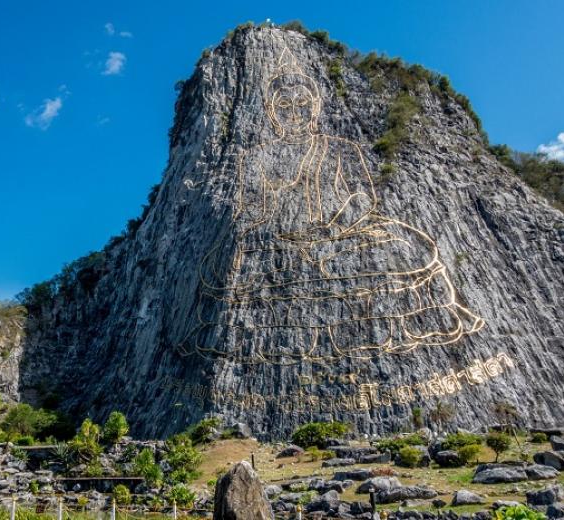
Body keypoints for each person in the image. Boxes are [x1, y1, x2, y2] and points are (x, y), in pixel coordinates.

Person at [185, 48, 484, 364]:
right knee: (226, 264)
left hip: (342, 236)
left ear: (314, 107)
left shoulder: (341, 148)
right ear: (272, 112)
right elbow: (252, 209)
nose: (294, 112)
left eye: (302, 104)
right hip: (282, 242)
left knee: (399, 244)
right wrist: (256, 232)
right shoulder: (258, 156)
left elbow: (363, 198)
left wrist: (334, 227)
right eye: (283, 106)